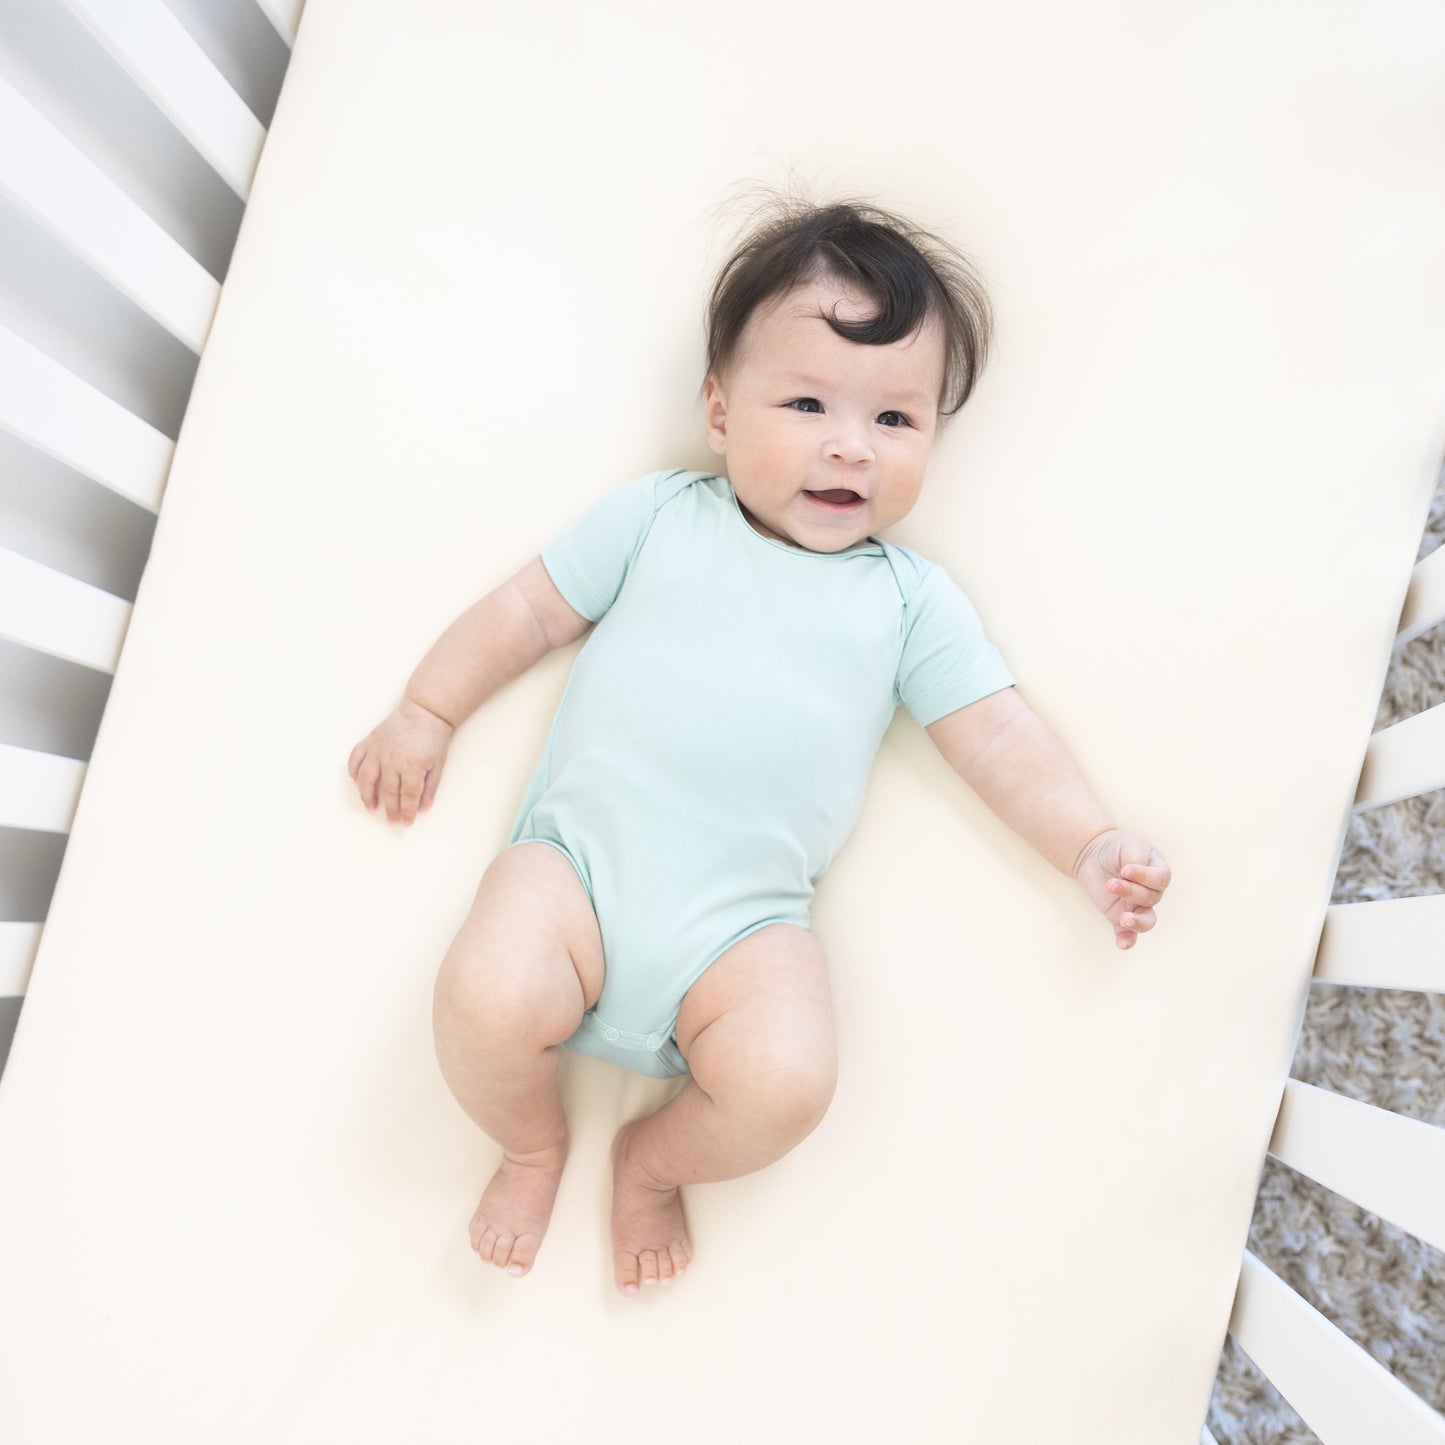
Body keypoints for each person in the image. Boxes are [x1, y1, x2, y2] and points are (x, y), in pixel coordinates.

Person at [347, 195, 1172, 1298]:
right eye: (805, 401)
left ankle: (651, 1162)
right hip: (574, 875)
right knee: (485, 998)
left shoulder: (909, 603)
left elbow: (996, 734)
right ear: (720, 411)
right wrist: (426, 707)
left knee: (787, 1080)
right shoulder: (654, 519)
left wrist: (1084, 841)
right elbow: (526, 614)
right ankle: (531, 1143)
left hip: (740, 932)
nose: (848, 443)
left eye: (895, 419)